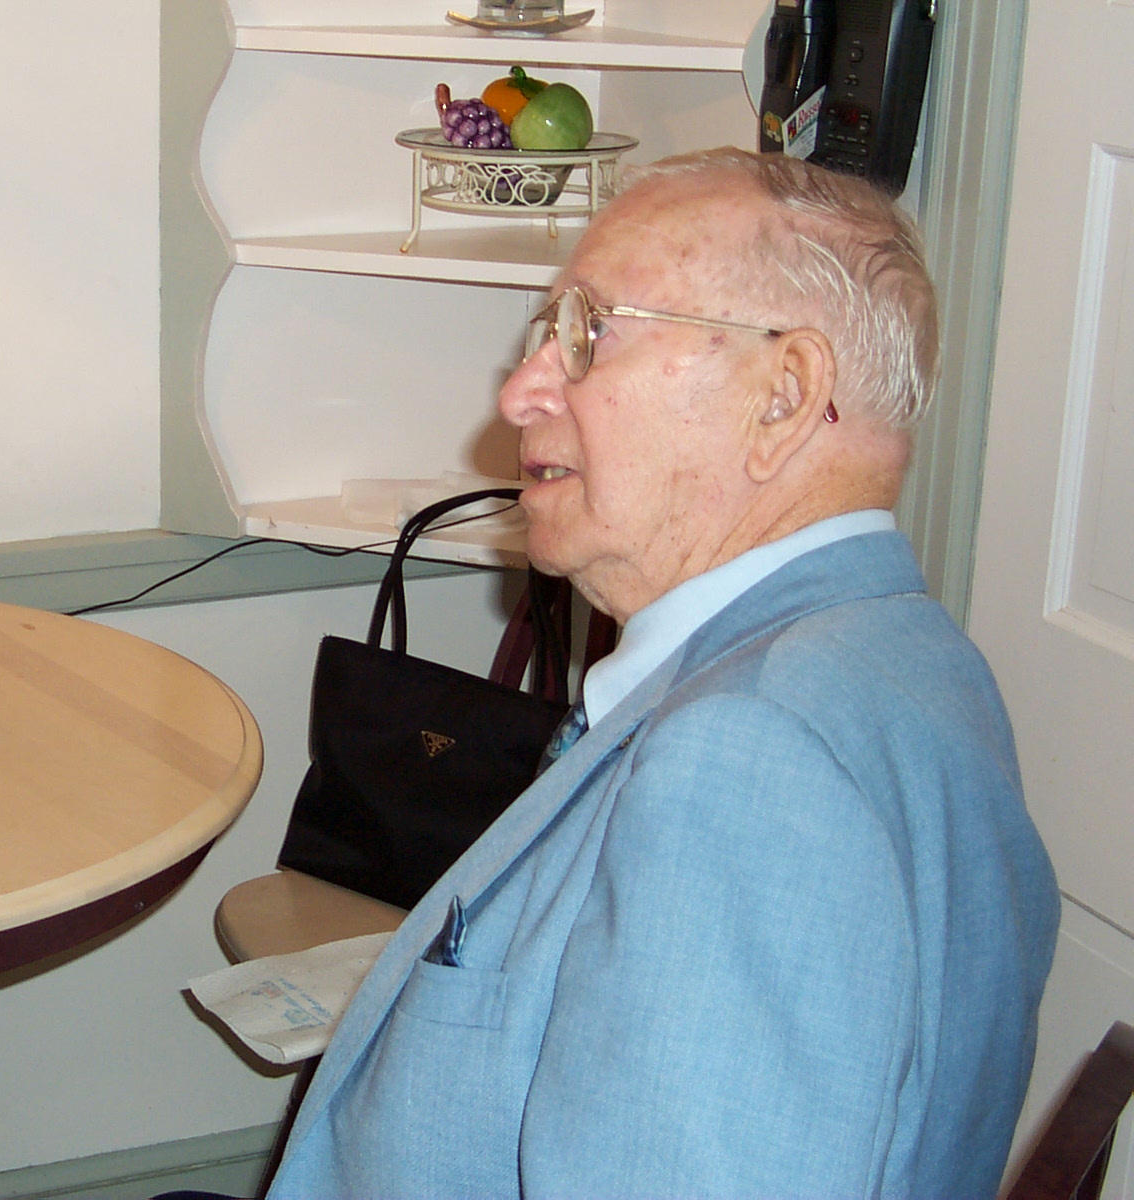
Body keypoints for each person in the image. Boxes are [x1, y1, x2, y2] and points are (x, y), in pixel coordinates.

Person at [261, 148, 1060, 1197]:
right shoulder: (917, 657)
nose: (519, 391)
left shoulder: (745, 768)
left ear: (784, 397)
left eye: (588, 333)